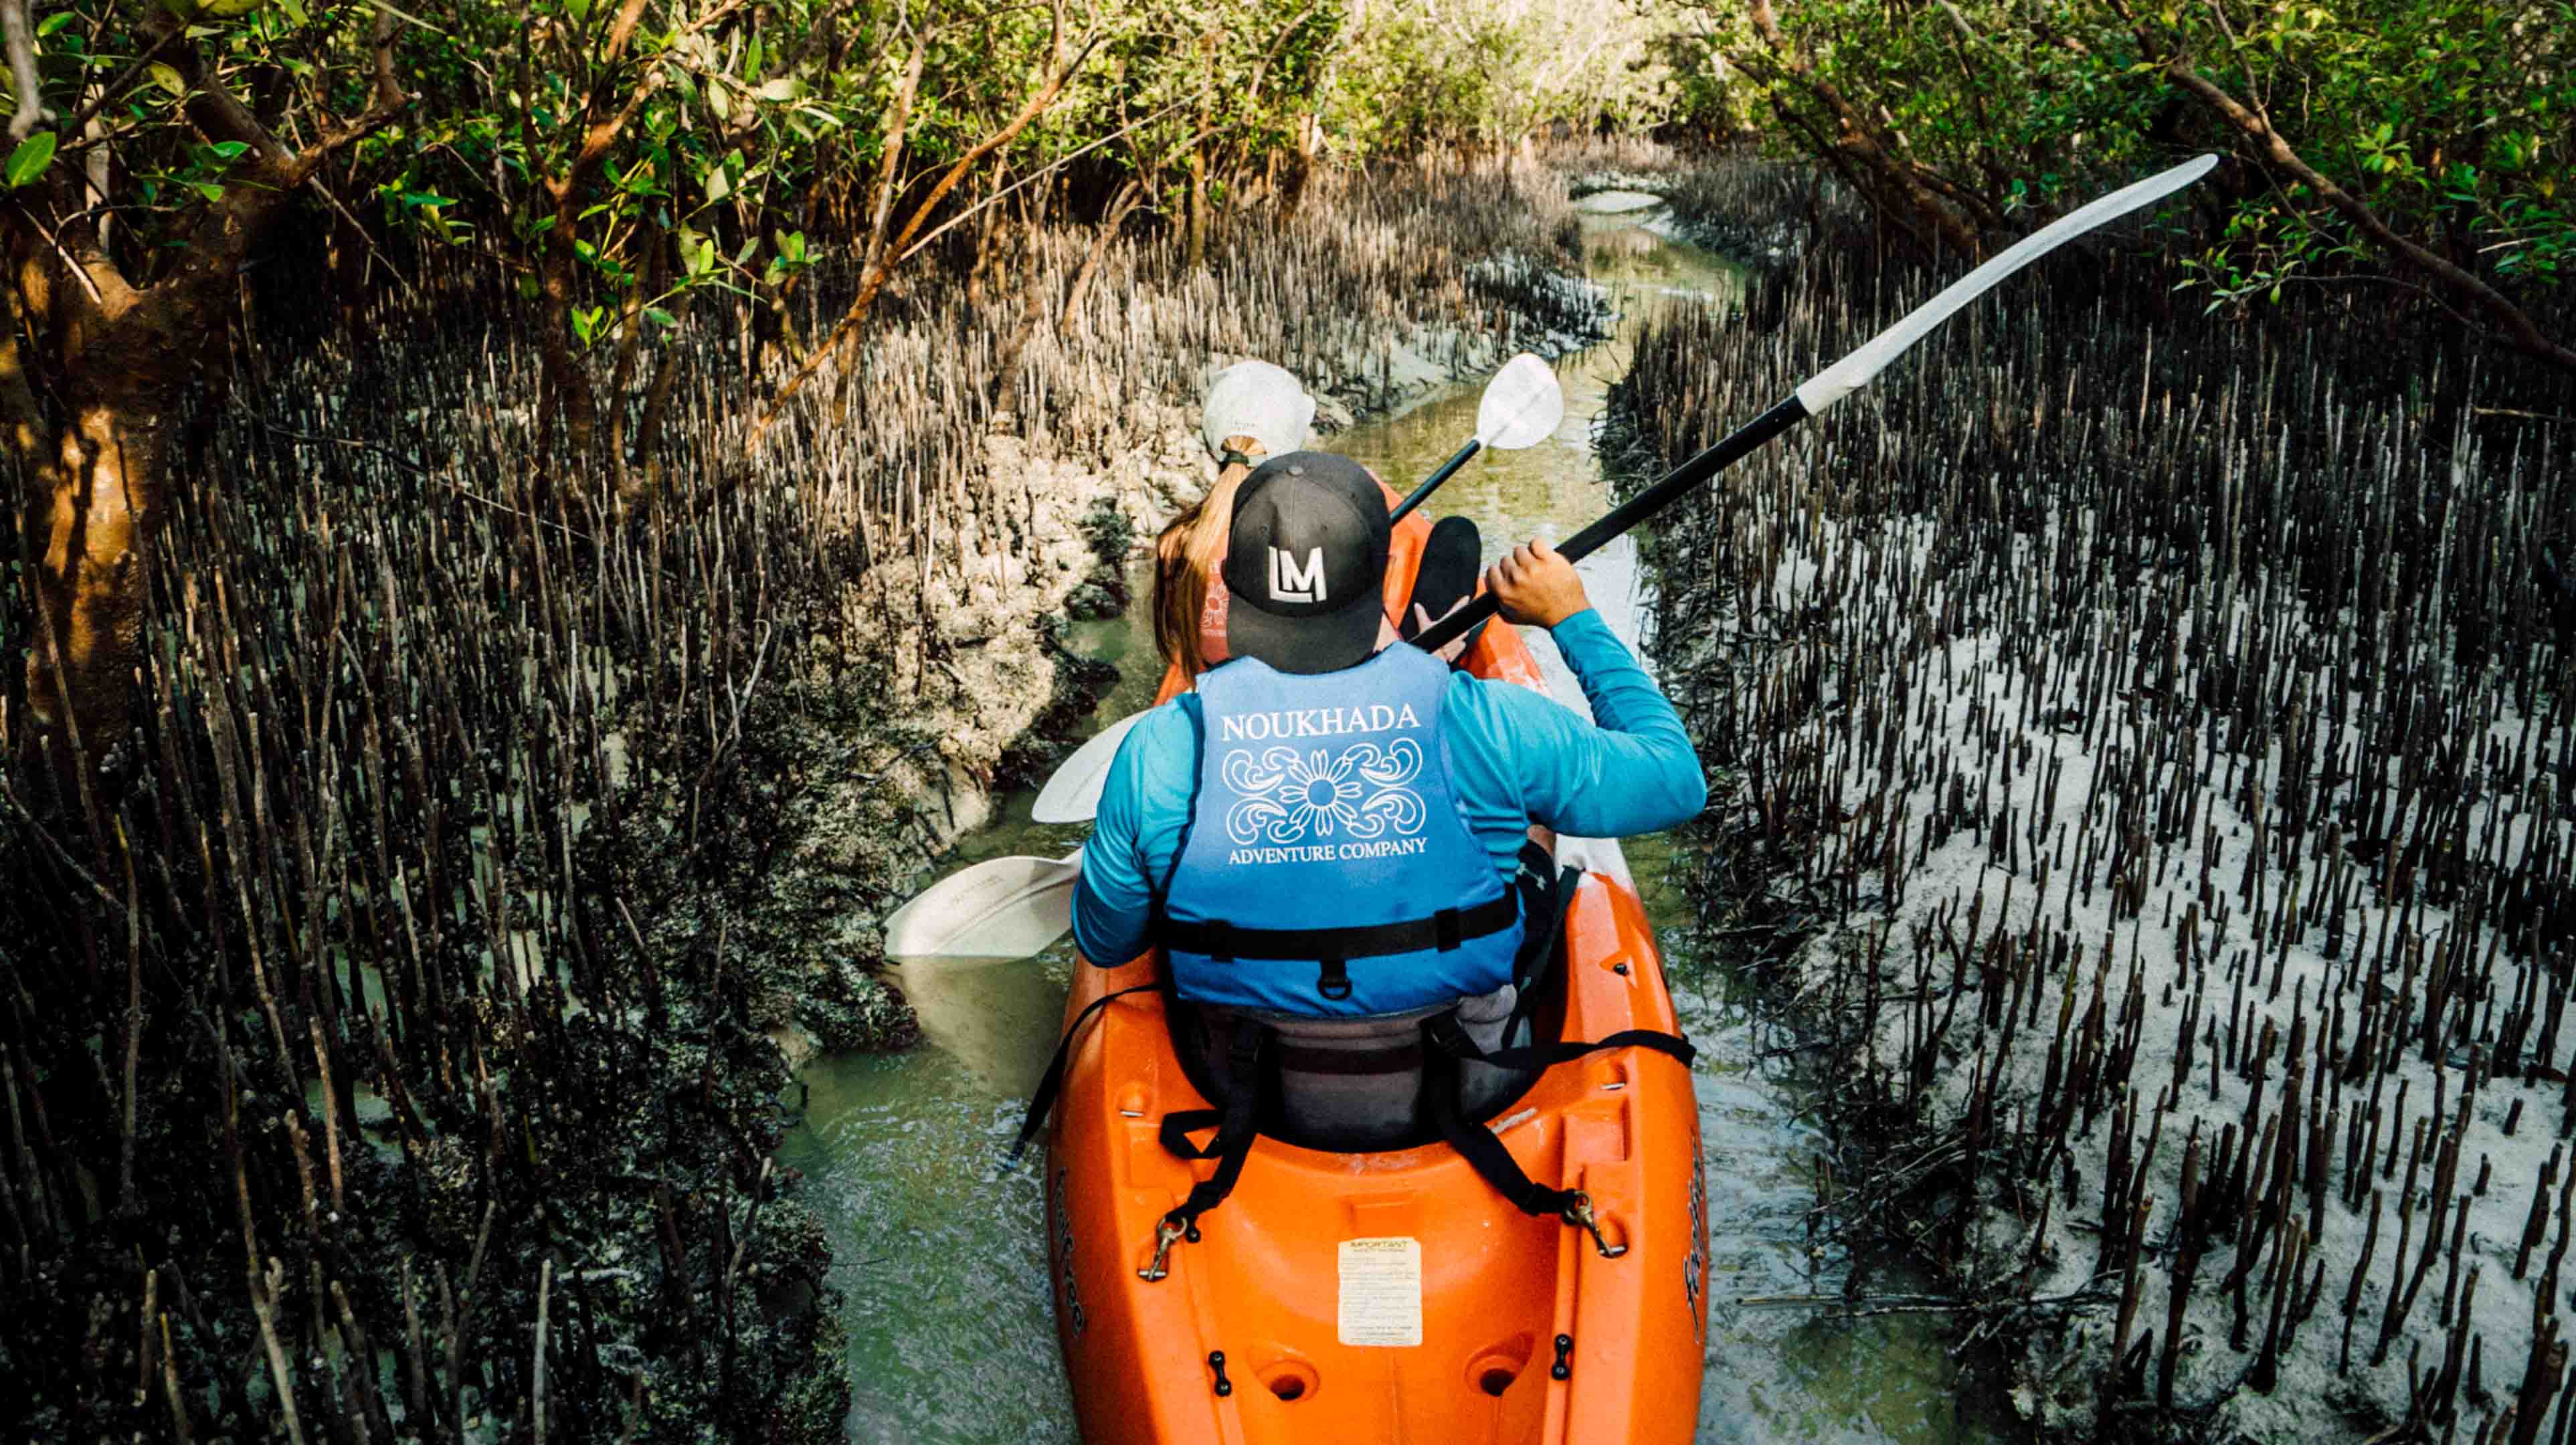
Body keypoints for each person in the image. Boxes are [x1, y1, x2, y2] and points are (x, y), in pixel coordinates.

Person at [1076, 450, 1706, 1018]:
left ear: (1234, 586)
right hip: (1457, 1046)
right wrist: (1573, 617)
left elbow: (1108, 942)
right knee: (1537, 823)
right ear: (1381, 579)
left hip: (1237, 1064)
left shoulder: (1155, 750)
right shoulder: (1494, 721)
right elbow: (1675, 780)